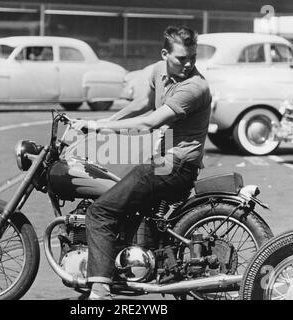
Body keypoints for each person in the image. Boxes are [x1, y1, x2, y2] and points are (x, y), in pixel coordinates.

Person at [71, 25, 212, 300]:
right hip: (162, 163)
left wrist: (96, 125)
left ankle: (100, 290)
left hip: (174, 167)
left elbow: (150, 121)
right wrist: (103, 123)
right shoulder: (158, 72)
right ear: (164, 55)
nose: (189, 63)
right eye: (182, 58)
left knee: (100, 212)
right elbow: (142, 104)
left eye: (192, 57)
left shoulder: (194, 87)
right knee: (117, 194)